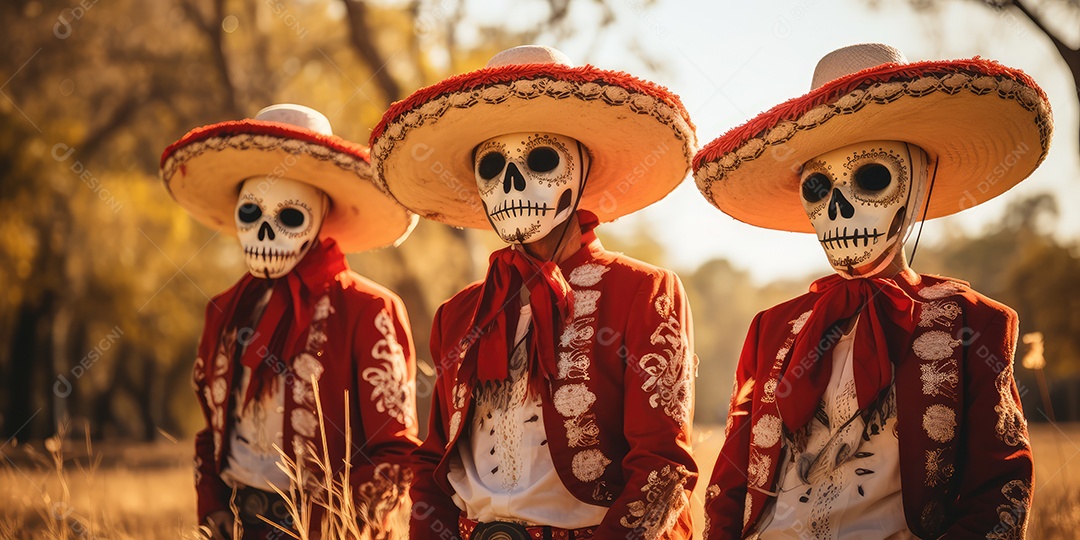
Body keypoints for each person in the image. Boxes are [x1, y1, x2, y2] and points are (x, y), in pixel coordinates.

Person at [693, 43, 1052, 539]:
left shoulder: (974, 324)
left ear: (918, 181)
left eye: (871, 177)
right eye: (818, 188)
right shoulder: (772, 327)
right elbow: (730, 485)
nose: (839, 210)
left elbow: (999, 492)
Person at [369, 45, 700, 540]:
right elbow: (433, 466)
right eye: (492, 166)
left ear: (581, 169)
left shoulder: (642, 291)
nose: (513, 182)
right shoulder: (458, 314)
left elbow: (663, 468)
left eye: (542, 159)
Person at [160, 104, 421, 539]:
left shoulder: (367, 309)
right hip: (239, 521)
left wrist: (332, 527)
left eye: (290, 216)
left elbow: (394, 452)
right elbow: (213, 429)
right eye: (251, 214)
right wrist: (213, 506)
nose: (265, 233)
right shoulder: (225, 309)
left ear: (319, 218)